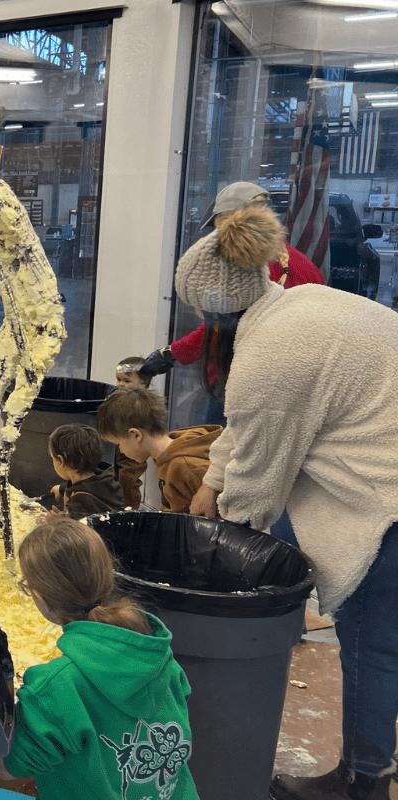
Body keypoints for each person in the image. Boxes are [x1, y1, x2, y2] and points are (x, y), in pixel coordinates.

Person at [173, 203, 398, 800]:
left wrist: (220, 560)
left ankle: (364, 779)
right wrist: (208, 482)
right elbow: (245, 430)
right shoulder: (294, 304)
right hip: (384, 466)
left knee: (369, 639)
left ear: (209, 306)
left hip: (389, 501)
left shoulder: (272, 354)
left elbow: (258, 491)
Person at [0, 517, 199, 800]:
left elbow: (9, 768)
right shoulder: (158, 654)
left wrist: (3, 677)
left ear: (39, 597)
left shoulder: (55, 688)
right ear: (109, 573)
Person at [137, 181, 324, 426]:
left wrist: (171, 353)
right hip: (283, 383)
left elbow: (220, 327)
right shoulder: (303, 264)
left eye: (219, 222)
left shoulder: (247, 268)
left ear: (235, 222)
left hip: (244, 380)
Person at [96, 386, 220, 514]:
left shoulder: (185, 467)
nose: (120, 450)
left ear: (136, 435)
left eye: (118, 443)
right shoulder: (167, 456)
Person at [42, 423, 125, 520]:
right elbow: (89, 486)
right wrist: (62, 489)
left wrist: (58, 522)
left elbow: (79, 533)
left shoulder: (80, 502)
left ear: (61, 461)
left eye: (53, 458)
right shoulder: (106, 479)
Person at [112, 357, 150, 507]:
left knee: (128, 480)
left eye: (127, 381)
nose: (120, 384)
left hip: (134, 452)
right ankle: (115, 507)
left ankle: (130, 509)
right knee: (115, 478)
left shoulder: (143, 402)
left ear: (143, 383)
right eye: (118, 379)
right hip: (119, 447)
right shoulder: (121, 398)